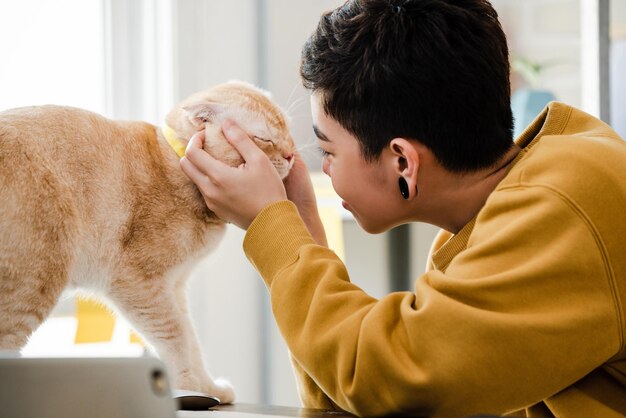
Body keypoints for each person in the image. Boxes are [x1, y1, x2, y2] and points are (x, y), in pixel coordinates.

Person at [180, 0, 626, 416]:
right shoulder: (483, 227)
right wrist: (304, 235)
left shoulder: (565, 204)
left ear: (402, 162)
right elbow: (366, 401)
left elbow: (392, 376)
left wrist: (274, 233)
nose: (324, 169)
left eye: (327, 149)